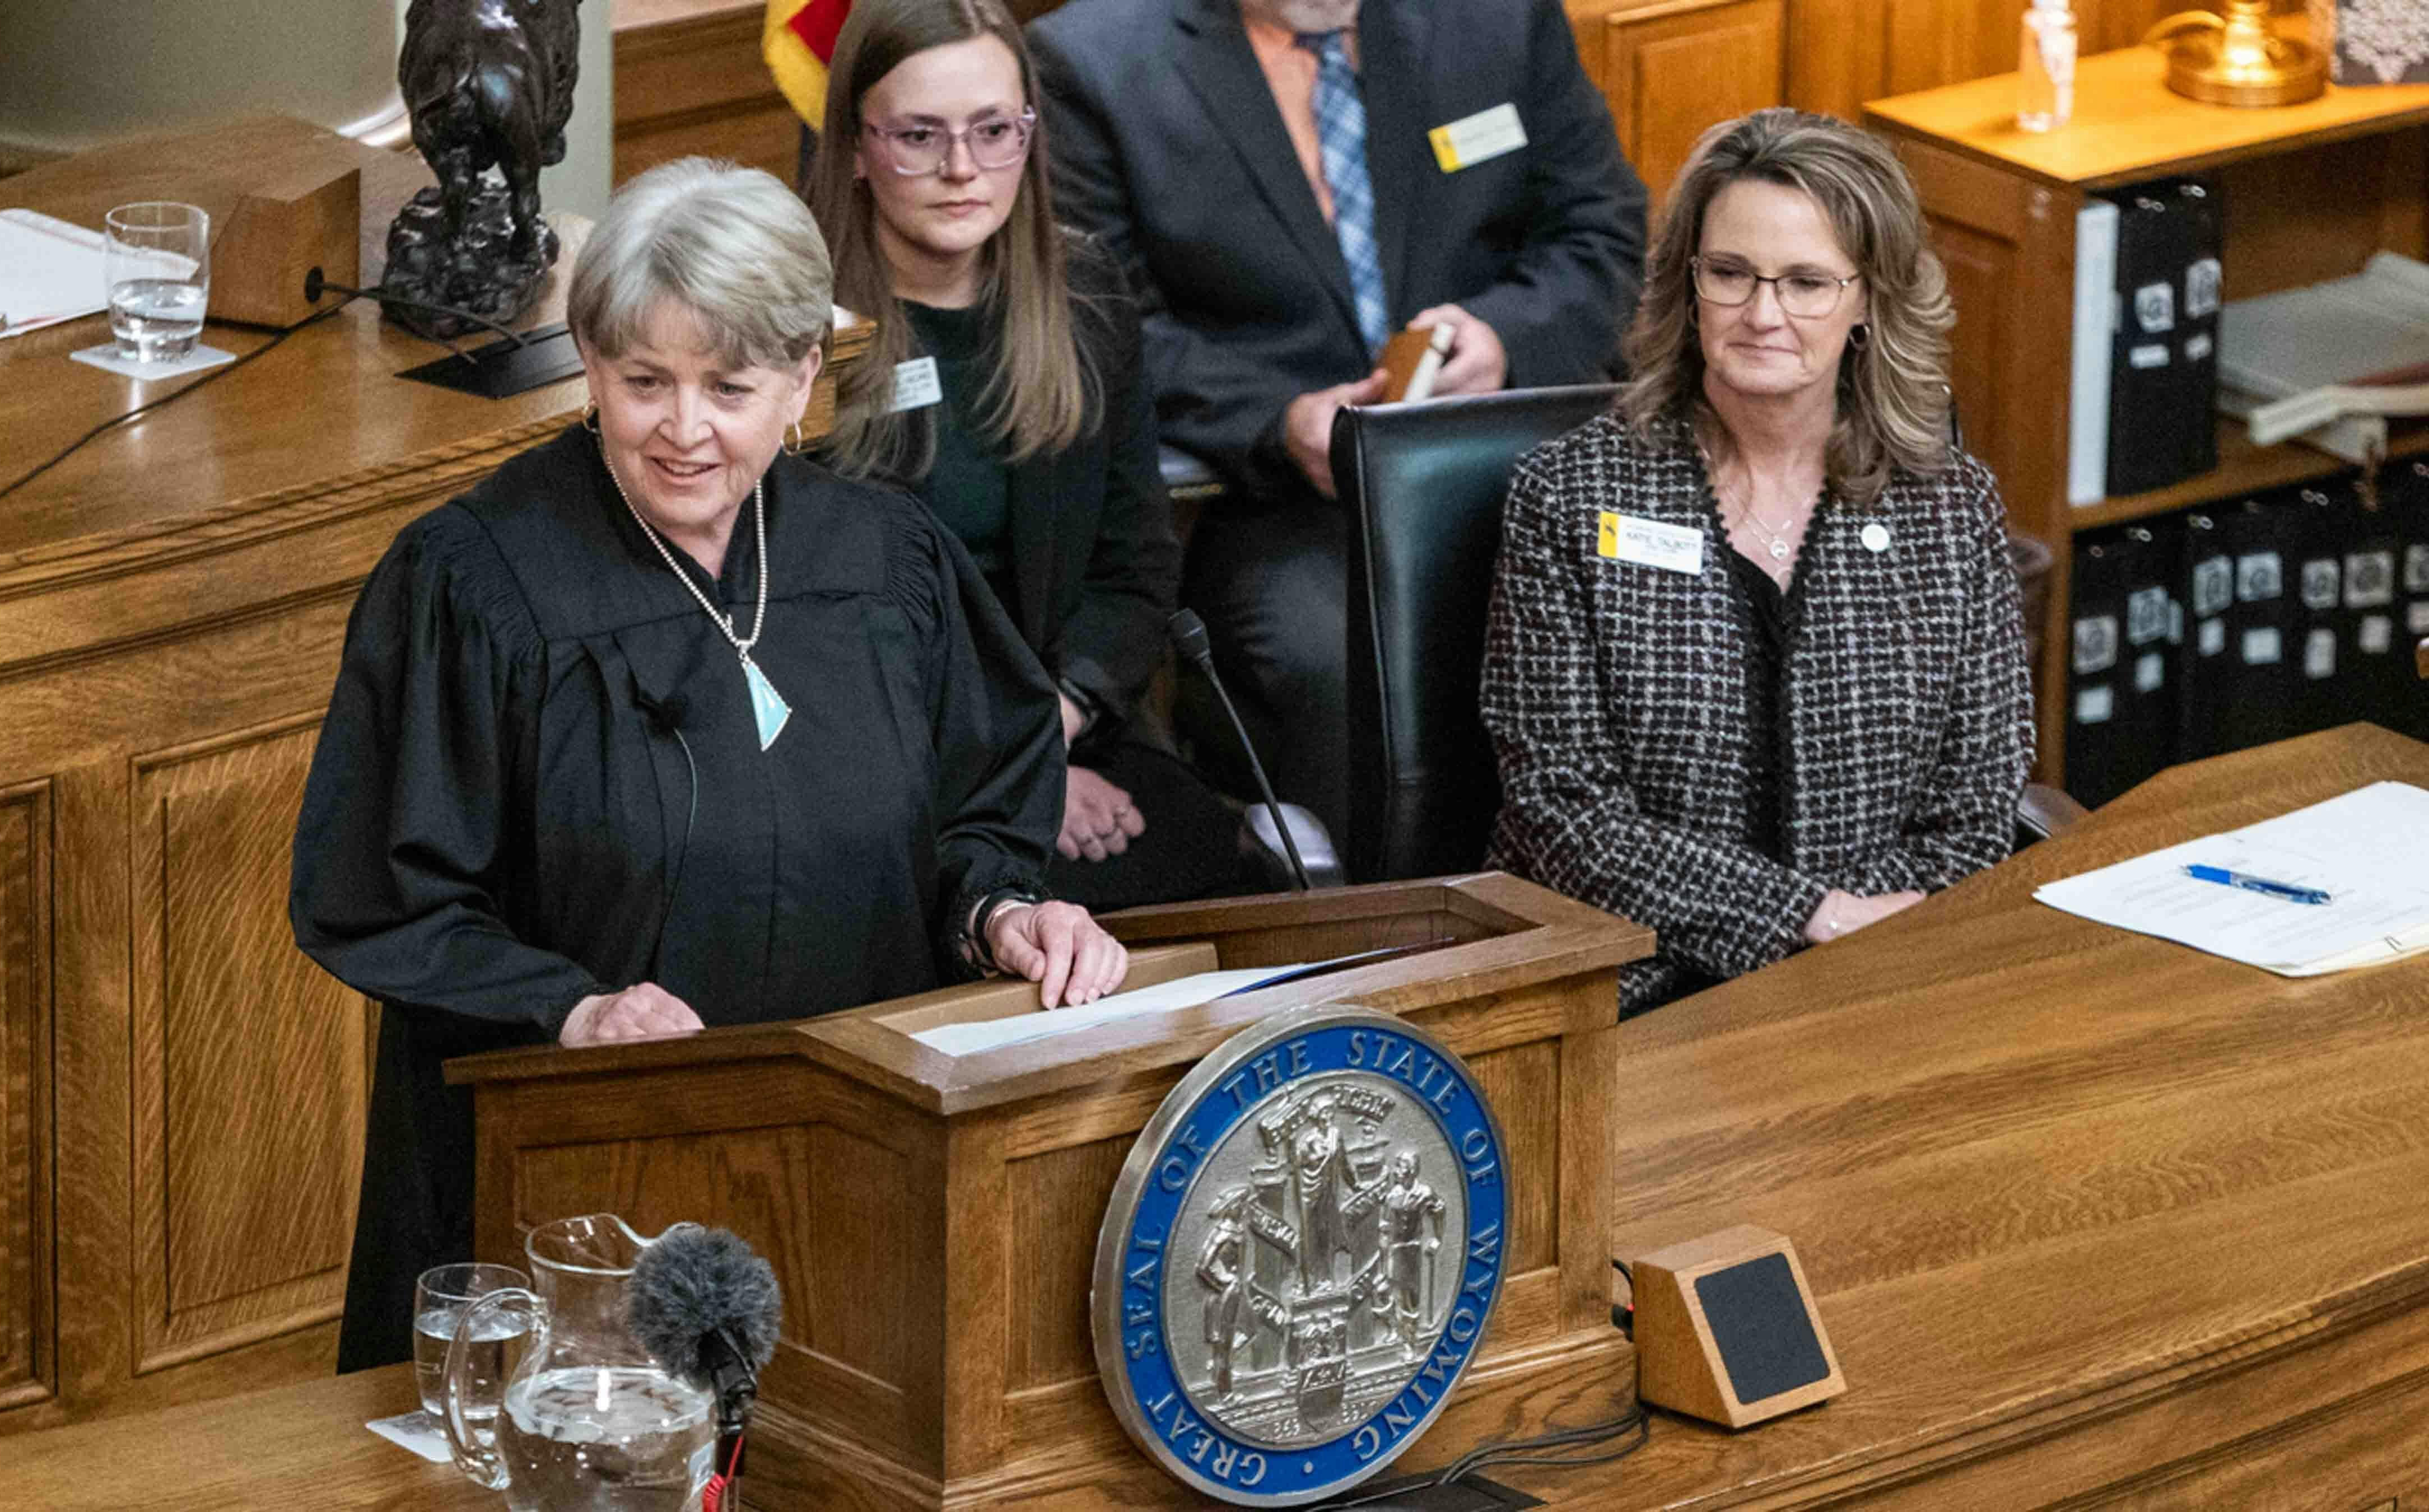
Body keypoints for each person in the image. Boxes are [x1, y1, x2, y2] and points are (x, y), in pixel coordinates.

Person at [290, 158, 1128, 1371]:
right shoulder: (478, 583)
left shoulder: (884, 561)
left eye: (730, 387)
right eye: (644, 382)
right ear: (589, 360)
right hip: (573, 1184)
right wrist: (571, 1008)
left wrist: (1002, 909)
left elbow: (972, 808)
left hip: (847, 1153)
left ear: (802, 380)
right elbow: (383, 891)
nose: (685, 430)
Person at [1031, 0, 1647, 844]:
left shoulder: (1502, 18)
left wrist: (1503, 339)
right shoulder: (1090, 64)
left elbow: (1601, 233)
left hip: (1516, 464)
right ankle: (1382, 929)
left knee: (1644, 623)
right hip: (1281, 503)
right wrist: (1278, 420)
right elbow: (1107, 326)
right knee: (1352, 669)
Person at [1480, 108, 2032, 1016]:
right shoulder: (1570, 497)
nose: (1762, 314)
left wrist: (1854, 936)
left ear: (1869, 301)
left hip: (1879, 976)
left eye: (1808, 282)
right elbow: (1560, 810)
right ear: (1687, 285)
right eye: (1730, 274)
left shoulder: (1950, 508)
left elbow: (1976, 808)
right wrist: (1804, 916)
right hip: (1631, 992)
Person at [805, 0, 1271, 911]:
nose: (962, 170)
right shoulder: (795, 328)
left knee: (1231, 882)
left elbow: (1133, 564)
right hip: (871, 767)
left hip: (1069, 727)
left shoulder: (1086, 294)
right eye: (918, 136)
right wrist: (1006, 780)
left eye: (993, 131)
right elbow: (810, 634)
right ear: (857, 143)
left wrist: (1045, 735)